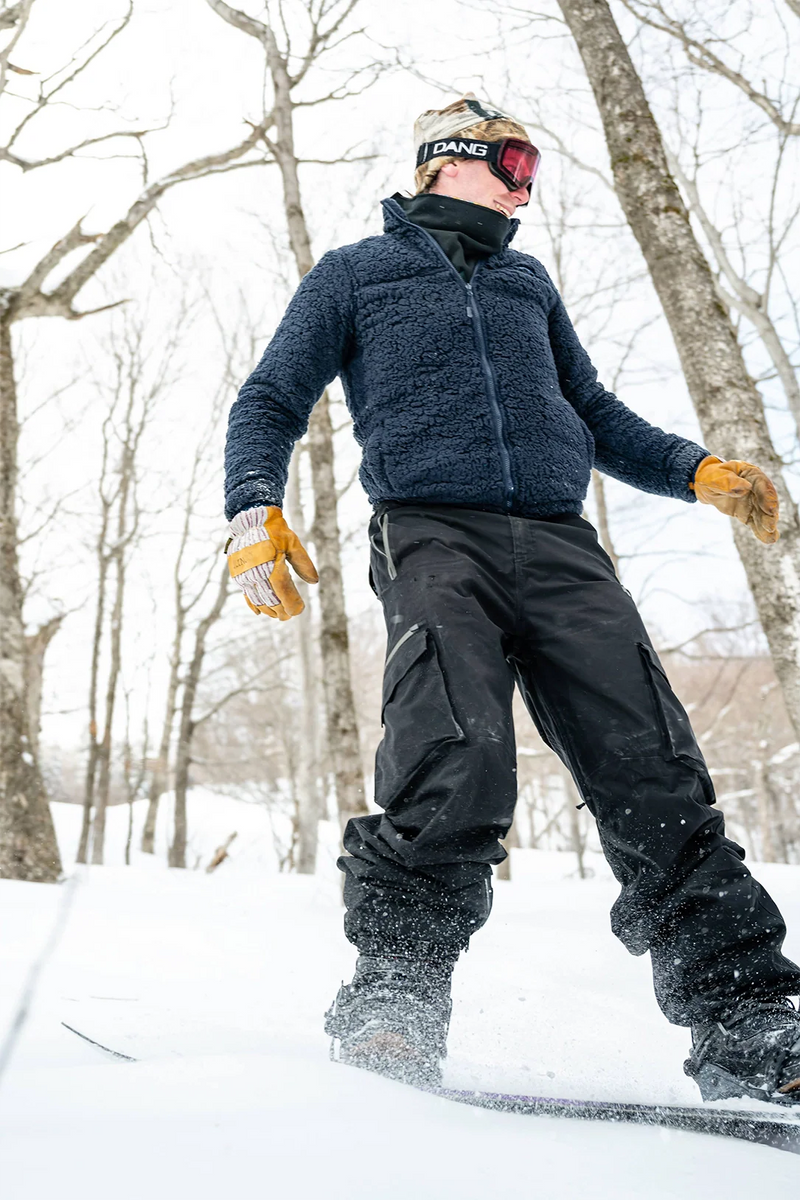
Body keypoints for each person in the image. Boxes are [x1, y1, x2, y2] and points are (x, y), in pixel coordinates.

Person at [224, 94, 800, 1104]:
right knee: (458, 755)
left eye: (532, 171)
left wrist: (695, 472)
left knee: (653, 773)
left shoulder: (524, 282)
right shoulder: (356, 274)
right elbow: (270, 398)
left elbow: (593, 413)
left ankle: (746, 1023)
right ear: (448, 161)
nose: (524, 188)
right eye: (513, 163)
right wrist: (250, 511)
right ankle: (395, 989)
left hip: (559, 543)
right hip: (432, 533)